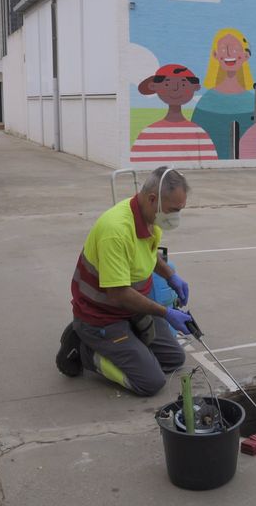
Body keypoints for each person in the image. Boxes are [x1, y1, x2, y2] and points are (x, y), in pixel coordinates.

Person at [55, 167, 194, 397]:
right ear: (152, 199)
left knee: (174, 359)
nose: (176, 217)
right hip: (102, 316)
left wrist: (171, 275)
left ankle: (127, 343)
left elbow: (149, 254)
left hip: (133, 310)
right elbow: (118, 294)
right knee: (150, 382)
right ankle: (85, 350)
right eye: (173, 210)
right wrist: (165, 313)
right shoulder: (116, 230)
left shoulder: (150, 218)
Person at [131, 64, 218, 163]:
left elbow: (210, 161)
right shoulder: (148, 133)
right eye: (167, 84)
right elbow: (137, 161)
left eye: (183, 84)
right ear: (153, 86)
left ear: (195, 87)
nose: (175, 89)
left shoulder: (197, 132)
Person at [191, 28, 256, 159]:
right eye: (223, 49)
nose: (228, 52)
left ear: (245, 56)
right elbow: (196, 138)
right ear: (215, 55)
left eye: (235, 48)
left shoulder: (252, 101)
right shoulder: (206, 101)